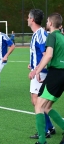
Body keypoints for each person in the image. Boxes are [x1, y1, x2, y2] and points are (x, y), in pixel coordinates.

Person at [29, 13, 64, 144]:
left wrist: (36, 70)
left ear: (49, 23)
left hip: (56, 73)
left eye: (47, 22)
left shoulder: (52, 36)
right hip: (61, 75)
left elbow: (48, 55)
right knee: (47, 107)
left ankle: (42, 141)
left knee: (38, 105)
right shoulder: (62, 37)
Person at [27, 9, 55, 140]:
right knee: (37, 102)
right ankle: (50, 127)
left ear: (32, 19)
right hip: (38, 71)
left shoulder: (40, 34)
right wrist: (32, 65)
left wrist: (37, 70)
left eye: (28, 17)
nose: (27, 19)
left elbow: (45, 54)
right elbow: (38, 54)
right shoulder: (37, 34)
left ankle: (45, 131)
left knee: (38, 102)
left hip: (41, 73)